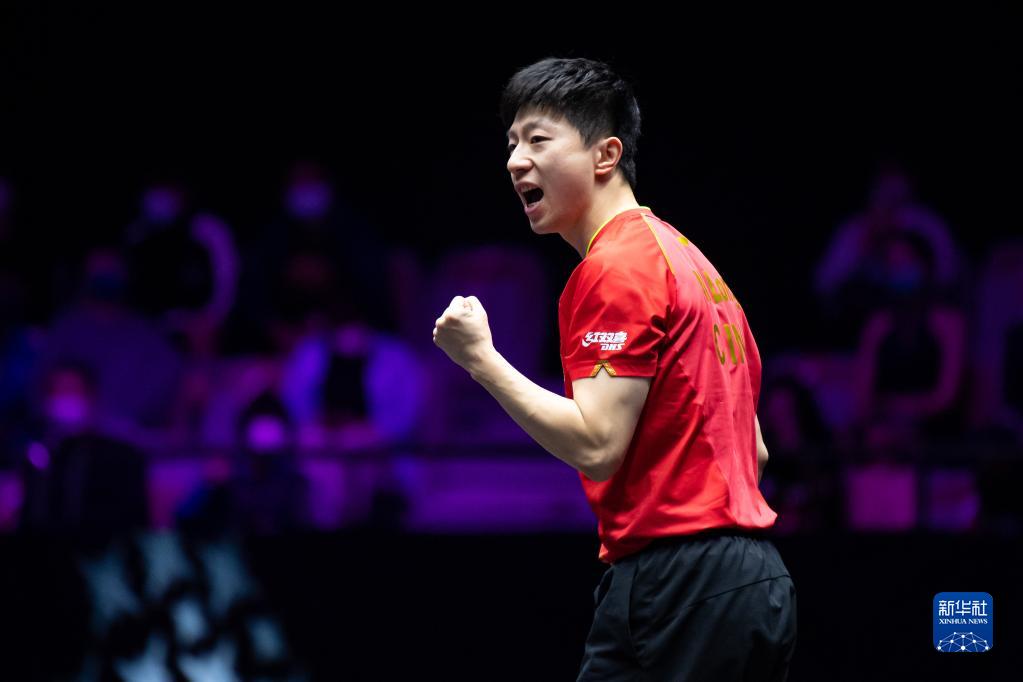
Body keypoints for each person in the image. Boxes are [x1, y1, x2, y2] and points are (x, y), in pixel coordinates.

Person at [432, 57, 796, 680]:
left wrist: (481, 361)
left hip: (680, 585)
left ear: (605, 155)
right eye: (512, 143)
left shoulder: (616, 267)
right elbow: (753, 452)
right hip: (747, 584)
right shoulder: (690, 262)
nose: (515, 161)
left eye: (538, 139)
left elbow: (597, 446)